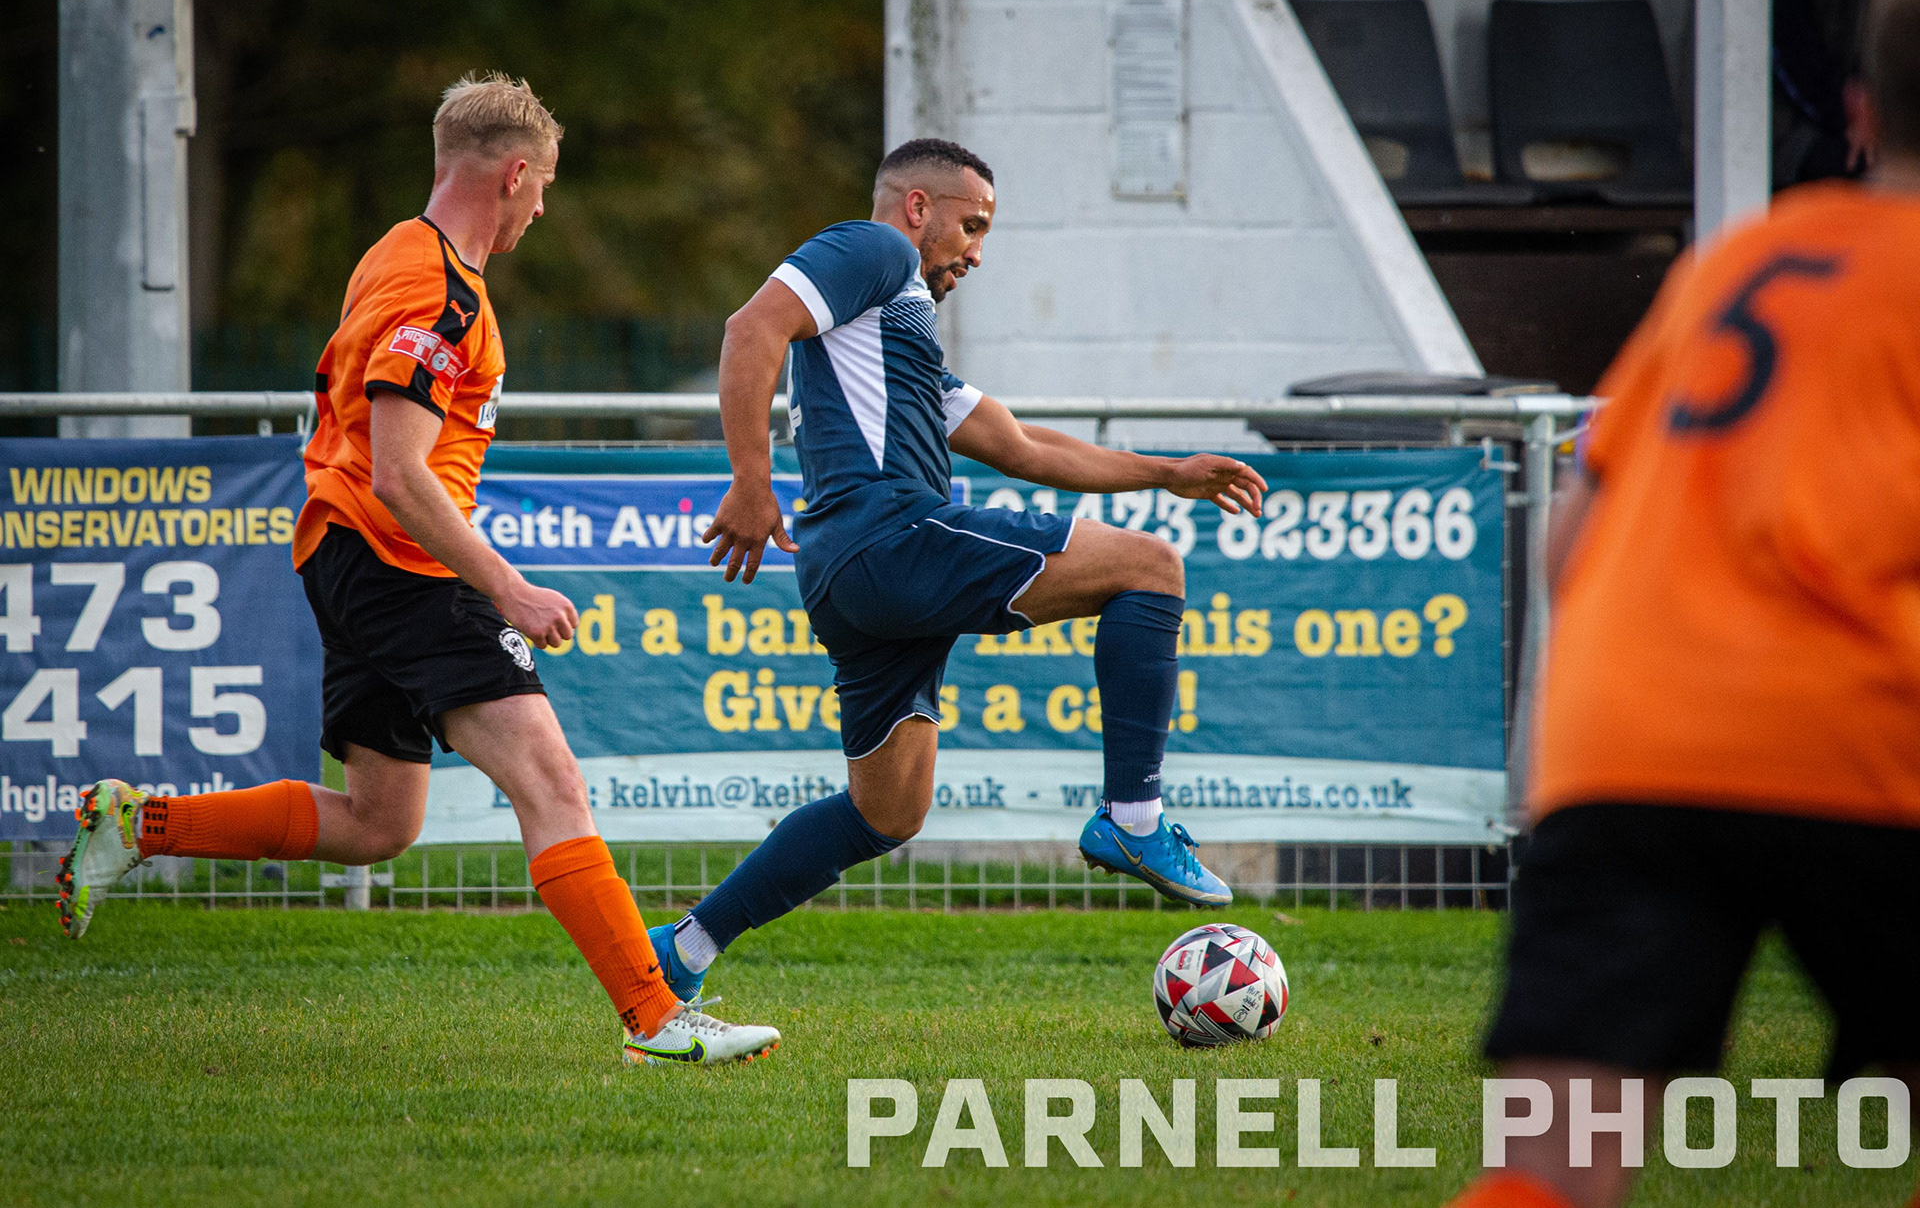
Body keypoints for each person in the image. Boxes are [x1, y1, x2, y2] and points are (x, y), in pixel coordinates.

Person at [56, 72, 777, 1067]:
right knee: (551, 780)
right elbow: (400, 472)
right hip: (400, 565)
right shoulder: (440, 294)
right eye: (543, 186)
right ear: (515, 175)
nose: (542, 208)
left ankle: (139, 823)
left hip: (346, 554)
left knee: (378, 823)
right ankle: (656, 1016)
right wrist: (503, 584)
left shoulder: (396, 251)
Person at [1447, 0, 1920, 1208]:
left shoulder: (1737, 262)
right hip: (1864, 732)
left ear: (1861, 113)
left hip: (1630, 737)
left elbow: (1573, 542)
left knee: (1550, 1167)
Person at [645, 137, 1268, 1005]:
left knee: (886, 812)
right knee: (1151, 567)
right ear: (916, 208)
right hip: (891, 535)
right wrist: (751, 482)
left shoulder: (895, 335)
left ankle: (682, 950)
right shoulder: (876, 249)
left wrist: (1167, 472)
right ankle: (1135, 819)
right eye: (972, 226)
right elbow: (750, 328)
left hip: (847, 577)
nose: (976, 253)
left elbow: (1020, 446)